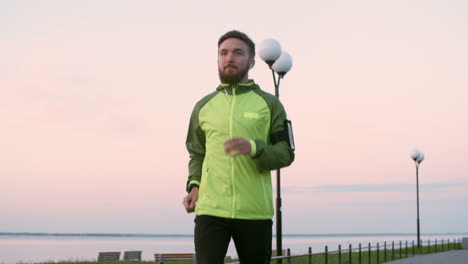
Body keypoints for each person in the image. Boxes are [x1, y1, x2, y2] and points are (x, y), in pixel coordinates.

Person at [182, 30, 295, 264]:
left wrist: (254, 148)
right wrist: (194, 185)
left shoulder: (270, 104)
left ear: (252, 61)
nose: (229, 58)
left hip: (254, 212)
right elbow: (196, 152)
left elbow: (286, 153)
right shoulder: (203, 106)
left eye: (237, 53)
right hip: (210, 211)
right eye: (223, 53)